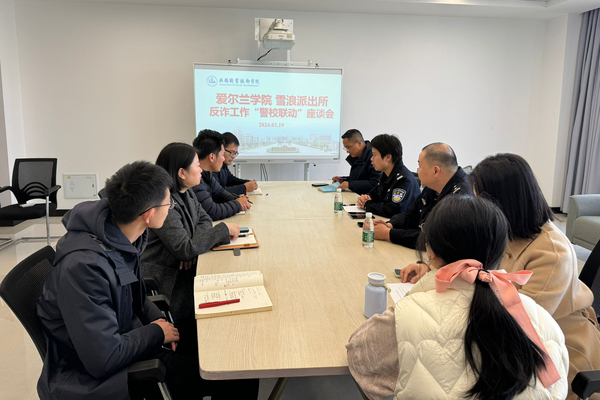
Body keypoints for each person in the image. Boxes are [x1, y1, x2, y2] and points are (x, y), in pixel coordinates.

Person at [347, 195, 569, 400]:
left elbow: (359, 356)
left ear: (430, 252)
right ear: (501, 252)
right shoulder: (542, 319)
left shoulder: (405, 318)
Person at [36, 161, 181, 399]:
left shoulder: (119, 236)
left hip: (126, 338)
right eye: (169, 203)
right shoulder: (84, 268)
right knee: (209, 377)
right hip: (95, 377)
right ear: (149, 214)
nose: (171, 208)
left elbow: (134, 294)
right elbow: (104, 358)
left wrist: (158, 321)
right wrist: (156, 333)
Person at [467, 153, 600, 400]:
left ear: (504, 202)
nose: (477, 208)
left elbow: (520, 324)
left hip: (558, 351)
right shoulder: (504, 230)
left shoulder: (551, 251)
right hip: (515, 342)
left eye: (481, 201)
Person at [141, 143, 258, 399]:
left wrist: (194, 244)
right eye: (196, 165)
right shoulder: (165, 202)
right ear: (182, 172)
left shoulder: (186, 192)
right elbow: (185, 248)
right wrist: (218, 233)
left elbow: (204, 220)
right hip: (171, 285)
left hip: (186, 273)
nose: (201, 170)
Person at [372, 142, 472, 249]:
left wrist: (389, 234)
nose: (417, 170)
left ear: (435, 171)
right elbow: (411, 215)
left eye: (420, 166)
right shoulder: (433, 185)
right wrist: (390, 225)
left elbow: (432, 239)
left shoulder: (461, 199)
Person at [192, 129, 252, 220]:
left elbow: (220, 193)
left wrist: (237, 198)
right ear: (212, 157)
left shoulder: (207, 174)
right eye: (222, 155)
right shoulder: (194, 179)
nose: (223, 159)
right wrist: (238, 204)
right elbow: (213, 212)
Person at [356, 134, 419, 218]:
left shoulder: (404, 180)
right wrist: (366, 197)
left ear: (388, 157)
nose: (371, 159)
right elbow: (376, 194)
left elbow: (394, 210)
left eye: (374, 155)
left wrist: (368, 205)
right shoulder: (385, 175)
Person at [332, 129, 380, 194]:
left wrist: (350, 185)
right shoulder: (357, 156)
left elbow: (375, 183)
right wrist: (342, 180)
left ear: (359, 143)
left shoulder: (373, 157)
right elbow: (357, 179)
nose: (347, 151)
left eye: (348, 147)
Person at [216, 131, 258, 195]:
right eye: (232, 152)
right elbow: (218, 193)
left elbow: (231, 180)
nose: (234, 156)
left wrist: (248, 183)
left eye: (235, 153)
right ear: (222, 149)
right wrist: (244, 188)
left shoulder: (223, 165)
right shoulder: (212, 168)